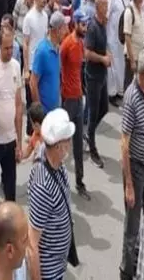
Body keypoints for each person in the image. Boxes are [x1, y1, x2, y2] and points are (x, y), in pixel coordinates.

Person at [119, 51, 144, 280]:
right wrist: (129, 186)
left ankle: (143, 263)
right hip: (135, 169)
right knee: (132, 228)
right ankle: (126, 272)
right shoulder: (132, 96)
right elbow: (124, 144)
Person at [28, 108, 78, 280]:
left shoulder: (53, 159)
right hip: (49, 272)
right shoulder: (43, 186)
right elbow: (32, 245)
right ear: (58, 146)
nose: (71, 143)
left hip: (58, 264)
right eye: (68, 140)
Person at [0, 19, 24, 203]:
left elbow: (18, 105)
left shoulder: (16, 67)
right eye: (6, 48)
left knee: (11, 193)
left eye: (12, 48)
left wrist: (19, 142)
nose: (10, 52)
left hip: (10, 140)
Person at [59, 13, 90, 200]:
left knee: (78, 144)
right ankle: (59, 183)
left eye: (86, 24)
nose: (85, 28)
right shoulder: (67, 45)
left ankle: (79, 181)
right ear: (75, 24)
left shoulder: (80, 43)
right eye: (83, 24)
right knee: (63, 143)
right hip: (68, 100)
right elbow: (60, 68)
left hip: (78, 99)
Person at [84, 0, 113, 168]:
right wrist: (102, 59)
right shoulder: (93, 27)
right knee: (94, 112)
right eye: (105, 5)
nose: (107, 8)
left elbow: (104, 46)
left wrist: (106, 56)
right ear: (98, 7)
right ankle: (92, 145)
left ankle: (88, 131)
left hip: (102, 75)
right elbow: (87, 53)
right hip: (93, 76)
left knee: (104, 108)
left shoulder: (103, 24)